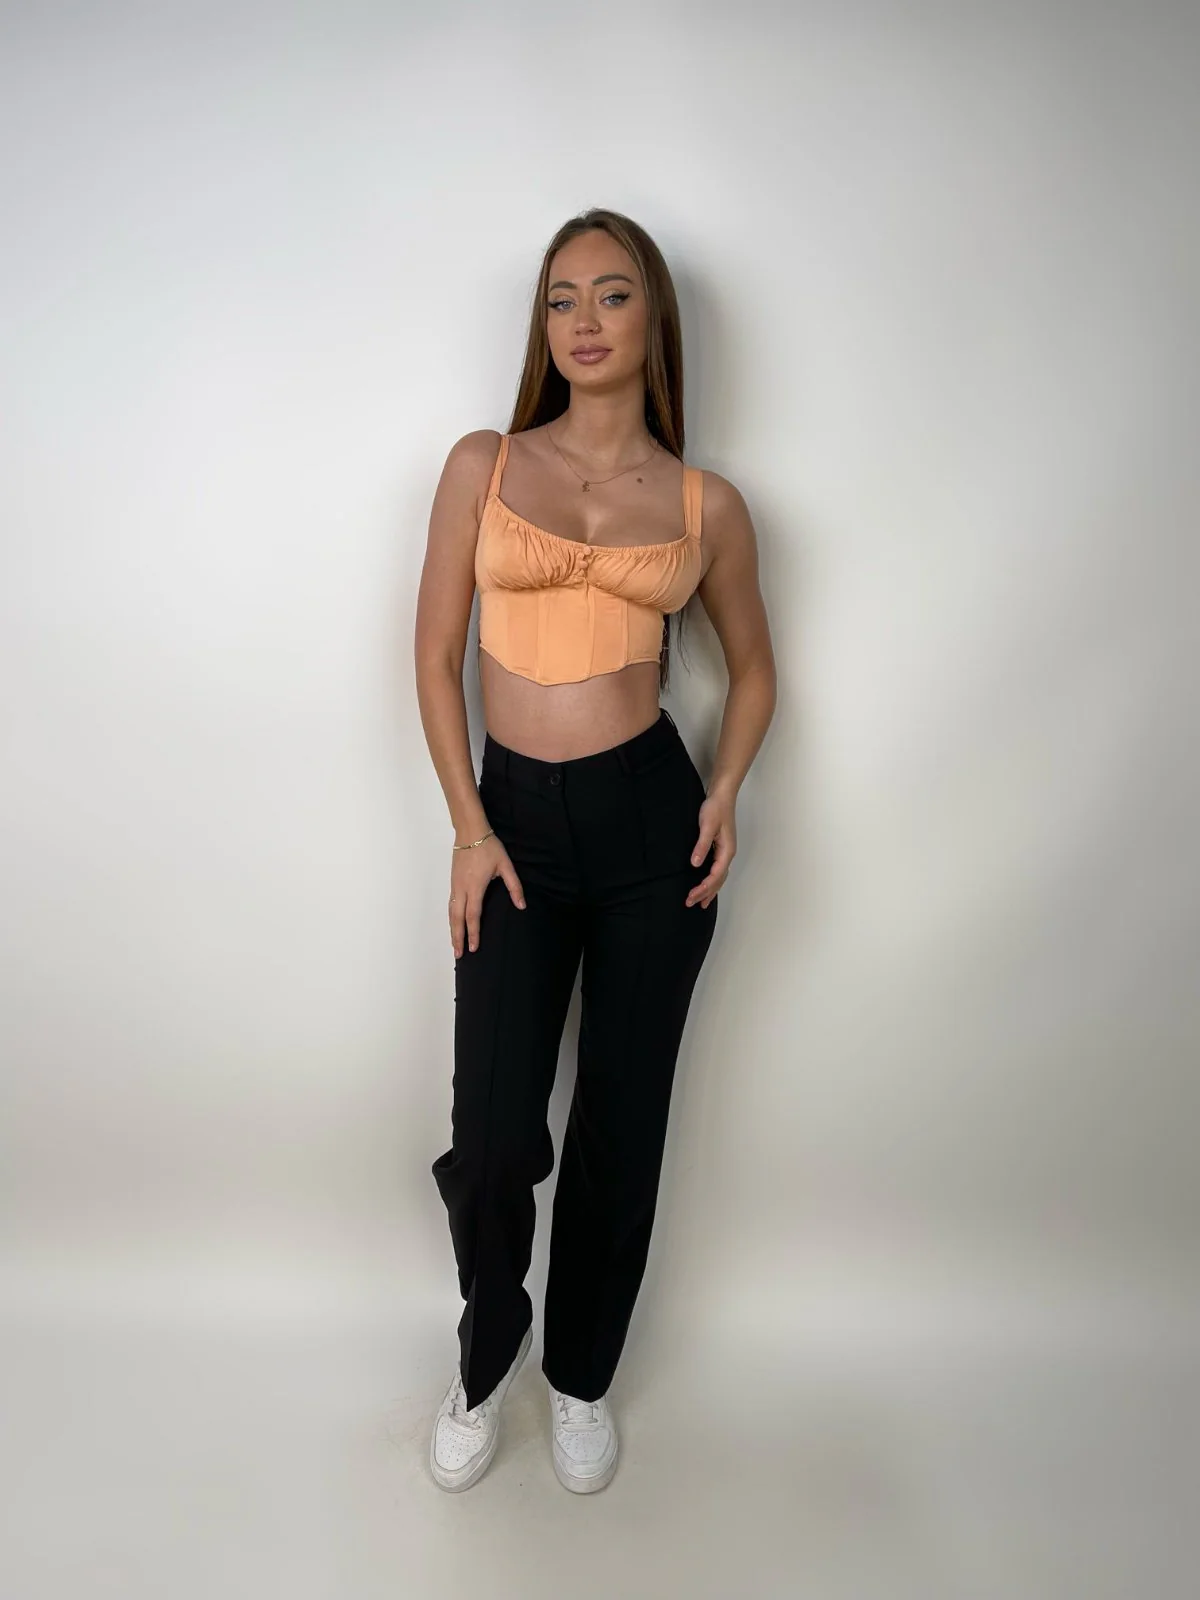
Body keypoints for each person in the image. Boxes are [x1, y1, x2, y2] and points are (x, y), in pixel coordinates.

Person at [413, 207, 776, 1493]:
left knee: (624, 1118)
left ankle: (579, 1377)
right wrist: (469, 827)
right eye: (562, 297)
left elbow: (755, 669)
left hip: (648, 826)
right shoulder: (485, 463)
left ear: (652, 319)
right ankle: (483, 1360)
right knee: (494, 1130)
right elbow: (432, 656)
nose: (584, 320)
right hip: (511, 823)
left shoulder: (705, 503)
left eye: (612, 295)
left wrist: (724, 788)